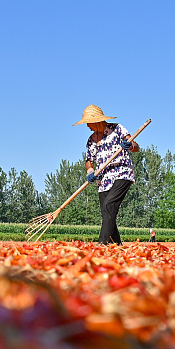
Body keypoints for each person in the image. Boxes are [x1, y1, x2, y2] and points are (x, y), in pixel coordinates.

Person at [73, 105, 138, 245]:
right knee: (107, 212)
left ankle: (102, 243)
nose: (87, 126)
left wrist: (130, 145)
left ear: (96, 121)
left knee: (109, 205)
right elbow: (89, 160)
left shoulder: (118, 129)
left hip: (122, 173)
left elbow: (136, 146)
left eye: (88, 123)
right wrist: (90, 171)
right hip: (104, 179)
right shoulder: (91, 140)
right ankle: (117, 245)